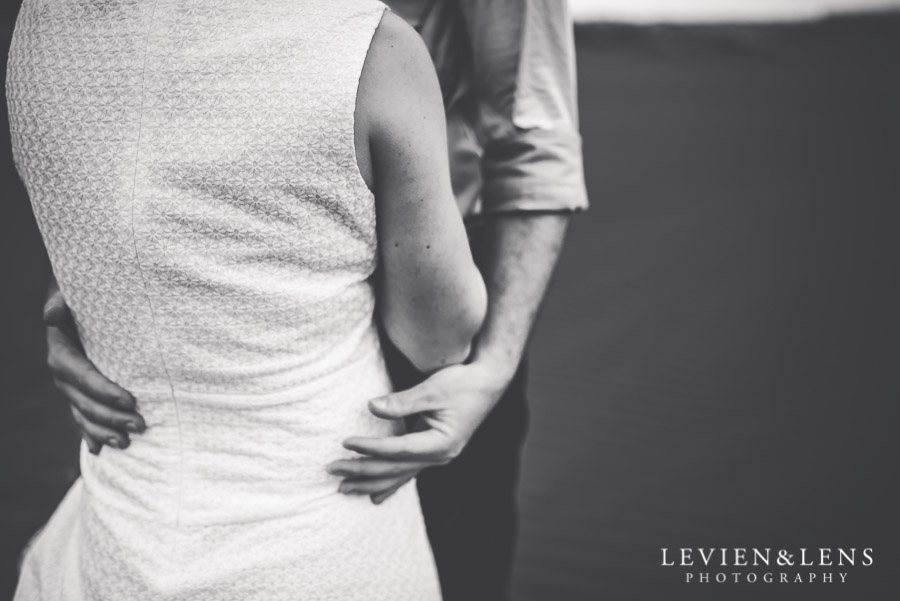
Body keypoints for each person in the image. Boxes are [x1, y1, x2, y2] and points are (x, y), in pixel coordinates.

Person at [40, 1, 588, 599]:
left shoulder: (43, 26)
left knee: (458, 553)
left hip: (434, 300)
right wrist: (84, 294)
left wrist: (495, 365)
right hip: (238, 301)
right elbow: (123, 140)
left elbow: (537, 145)